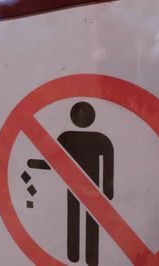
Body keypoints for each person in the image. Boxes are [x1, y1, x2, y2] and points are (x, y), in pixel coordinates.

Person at [57, 102, 114, 266]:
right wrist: (107, 191)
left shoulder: (68, 136)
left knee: (79, 219)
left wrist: (107, 190)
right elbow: (53, 160)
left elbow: (108, 164)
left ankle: (78, 256)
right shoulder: (100, 139)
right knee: (79, 220)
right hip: (84, 188)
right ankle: (79, 256)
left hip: (85, 188)